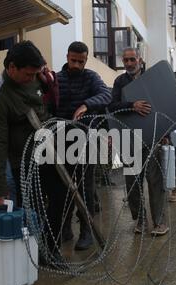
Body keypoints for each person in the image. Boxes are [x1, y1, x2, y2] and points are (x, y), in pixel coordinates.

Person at [0, 41, 68, 266]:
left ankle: (51, 249)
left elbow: (48, 106)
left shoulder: (36, 78)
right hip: (21, 162)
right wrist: (0, 188)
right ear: (12, 67)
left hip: (46, 151)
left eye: (35, 73)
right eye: (27, 74)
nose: (31, 78)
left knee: (61, 194)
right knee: (32, 209)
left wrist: (48, 84)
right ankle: (34, 251)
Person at [56, 41, 112, 250]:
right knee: (64, 185)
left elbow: (106, 95)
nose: (77, 65)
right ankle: (65, 229)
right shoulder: (57, 79)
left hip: (86, 140)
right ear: (67, 56)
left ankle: (86, 231)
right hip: (62, 139)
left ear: (86, 59)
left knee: (86, 188)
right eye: (73, 60)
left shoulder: (92, 78)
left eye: (81, 61)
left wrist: (86, 104)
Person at [108, 47, 169, 236]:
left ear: (139, 60)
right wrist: (131, 106)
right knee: (133, 182)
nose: (128, 64)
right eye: (125, 60)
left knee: (155, 181)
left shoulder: (151, 78)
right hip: (129, 137)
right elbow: (112, 106)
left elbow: (163, 102)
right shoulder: (120, 81)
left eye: (132, 59)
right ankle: (140, 220)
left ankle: (159, 222)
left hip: (152, 136)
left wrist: (165, 132)